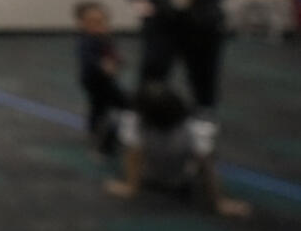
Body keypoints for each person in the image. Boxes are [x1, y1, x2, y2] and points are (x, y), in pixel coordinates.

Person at [105, 82, 250, 218]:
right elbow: (207, 166)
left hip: (148, 176)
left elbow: (134, 154)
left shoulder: (135, 122)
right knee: (206, 152)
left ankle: (101, 152)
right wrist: (219, 202)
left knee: (115, 120)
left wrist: (130, 187)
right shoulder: (195, 128)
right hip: (179, 179)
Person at [75, 0, 128, 153]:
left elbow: (115, 54)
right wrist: (102, 65)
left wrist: (117, 62)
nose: (98, 26)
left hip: (106, 81)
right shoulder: (85, 41)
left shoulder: (106, 38)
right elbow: (89, 59)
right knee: (100, 108)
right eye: (93, 22)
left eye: (101, 21)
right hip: (93, 81)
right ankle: (100, 137)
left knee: (106, 106)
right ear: (83, 24)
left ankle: (102, 133)